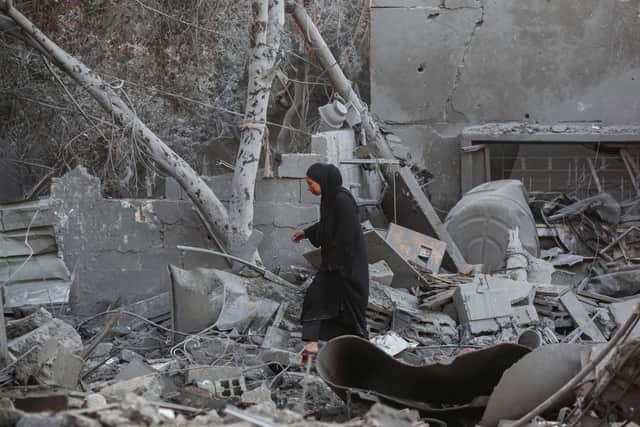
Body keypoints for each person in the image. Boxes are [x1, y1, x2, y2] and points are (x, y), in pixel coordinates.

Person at [292, 163, 369, 360]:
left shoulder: (342, 200)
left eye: (311, 183)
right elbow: (327, 225)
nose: (309, 188)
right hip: (335, 265)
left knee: (350, 311)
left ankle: (358, 355)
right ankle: (312, 351)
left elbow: (345, 236)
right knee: (315, 300)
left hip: (348, 268)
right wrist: (306, 232)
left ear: (323, 181)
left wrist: (338, 269)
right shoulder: (330, 198)